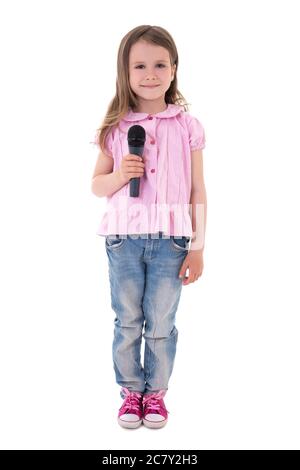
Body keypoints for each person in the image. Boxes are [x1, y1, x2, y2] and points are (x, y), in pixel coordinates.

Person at [90, 25, 207, 429]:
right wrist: (122, 173)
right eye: (140, 65)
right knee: (127, 320)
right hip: (123, 239)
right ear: (125, 71)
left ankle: (155, 394)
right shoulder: (116, 127)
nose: (150, 74)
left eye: (160, 64)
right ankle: (130, 392)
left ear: (174, 69)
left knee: (160, 322)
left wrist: (198, 245)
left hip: (172, 241)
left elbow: (198, 188)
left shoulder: (187, 126)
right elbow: (96, 185)